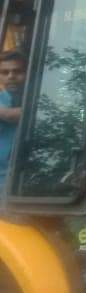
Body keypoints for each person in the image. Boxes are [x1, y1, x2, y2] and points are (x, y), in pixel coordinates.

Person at [0, 50, 26, 190]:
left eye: (17, 71)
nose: (11, 76)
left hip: (26, 182)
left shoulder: (38, 98)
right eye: (5, 72)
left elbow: (18, 115)